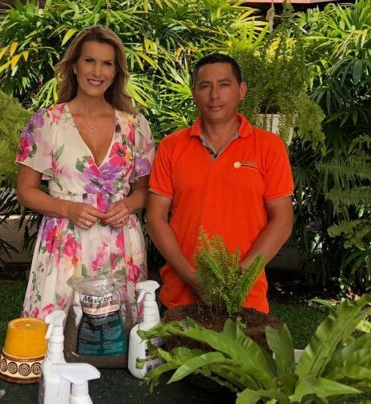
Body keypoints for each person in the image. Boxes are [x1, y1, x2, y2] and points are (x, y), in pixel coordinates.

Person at [15, 26, 155, 319]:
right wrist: (68, 208)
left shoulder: (135, 126)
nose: (97, 71)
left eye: (107, 63)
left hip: (121, 244)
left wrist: (129, 204)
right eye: (89, 60)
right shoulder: (47, 122)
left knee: (122, 332)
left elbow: (145, 190)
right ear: (75, 66)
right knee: (56, 331)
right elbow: (26, 191)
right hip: (65, 242)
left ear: (116, 72)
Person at [146, 53, 294, 314]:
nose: (214, 95)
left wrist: (237, 281)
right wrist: (193, 278)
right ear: (194, 92)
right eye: (205, 86)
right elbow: (155, 218)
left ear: (241, 90)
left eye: (224, 85)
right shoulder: (171, 147)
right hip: (180, 297)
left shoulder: (269, 147)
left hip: (246, 299)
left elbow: (282, 220)